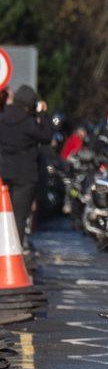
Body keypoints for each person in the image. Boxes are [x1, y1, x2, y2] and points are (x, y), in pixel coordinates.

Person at [0, 85, 47, 250]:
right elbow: (46, 136)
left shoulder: (3, 118)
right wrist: (42, 114)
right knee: (18, 217)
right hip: (25, 176)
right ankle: (13, 251)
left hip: (4, 173)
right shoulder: (29, 122)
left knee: (3, 214)